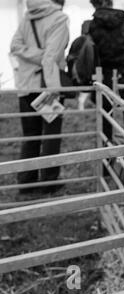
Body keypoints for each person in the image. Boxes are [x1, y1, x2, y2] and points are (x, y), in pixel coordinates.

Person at [10, 0, 70, 193]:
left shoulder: (28, 16)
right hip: (47, 86)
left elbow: (16, 46)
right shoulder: (60, 18)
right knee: (51, 136)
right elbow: (50, 57)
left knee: (31, 135)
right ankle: (48, 183)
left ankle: (26, 183)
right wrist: (54, 90)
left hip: (26, 85)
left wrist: (31, 54)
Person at [88, 0, 124, 140]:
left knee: (105, 117)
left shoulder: (92, 25)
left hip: (104, 74)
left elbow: (93, 54)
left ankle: (107, 154)